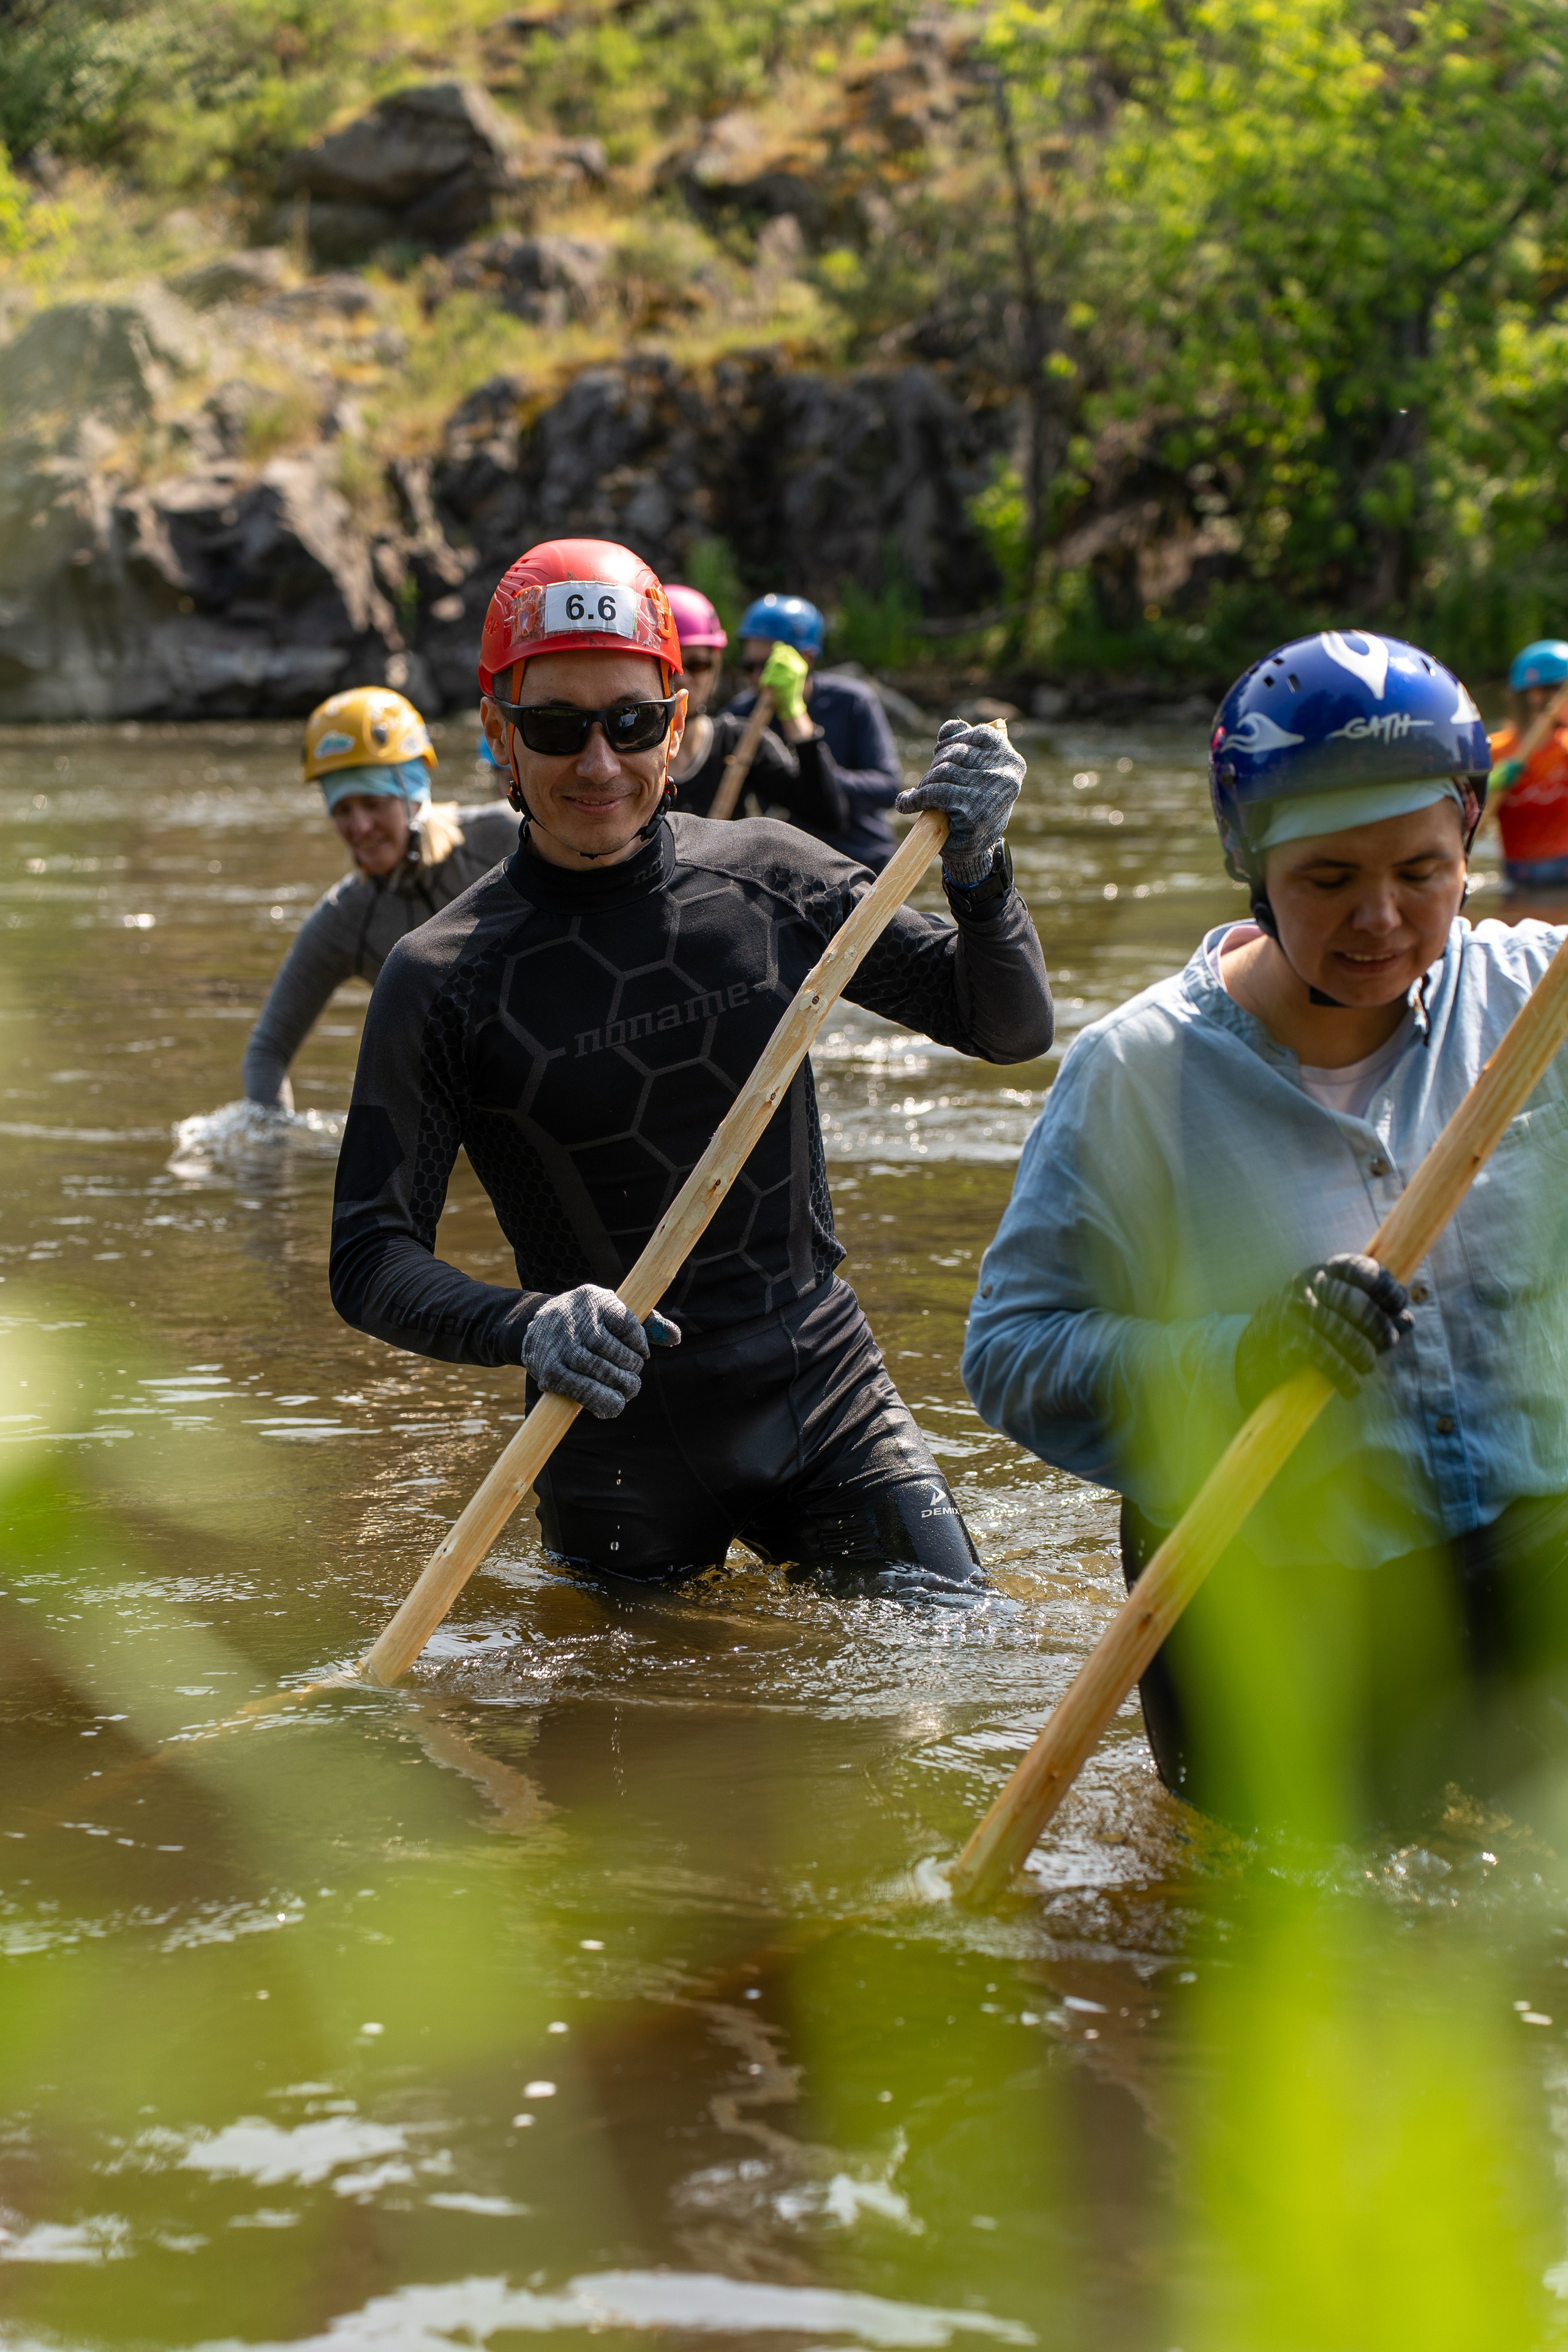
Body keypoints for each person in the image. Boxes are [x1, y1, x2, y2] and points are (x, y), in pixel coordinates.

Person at [330, 537, 1053, 1603]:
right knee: (632, 1752)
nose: (598, 764)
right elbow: (369, 1258)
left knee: (951, 1685)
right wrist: (526, 1323)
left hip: (821, 1392)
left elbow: (1006, 1026)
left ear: (676, 725)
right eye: (556, 728)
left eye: (630, 723)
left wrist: (983, 877)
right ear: (496, 735)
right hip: (609, 1437)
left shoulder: (773, 879)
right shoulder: (438, 976)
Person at [963, 627, 1568, 1826]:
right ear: (1248, 860)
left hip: (1526, 1546)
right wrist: (1241, 1355)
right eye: (1327, 880)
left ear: (1469, 834)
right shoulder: (1137, 1075)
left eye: (1421, 870)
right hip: (1274, 1586)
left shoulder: (1535, 1003)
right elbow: (1011, 1356)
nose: (1382, 919)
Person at [242, 688, 519, 1109]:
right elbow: (267, 1051)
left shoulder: (504, 836)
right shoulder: (345, 918)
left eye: (374, 803)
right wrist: (272, 1154)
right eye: (342, 810)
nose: (360, 826)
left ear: (413, 793)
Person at [729, 592, 903, 870]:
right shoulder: (741, 715)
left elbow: (888, 787)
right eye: (750, 666)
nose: (758, 678)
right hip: (788, 865)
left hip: (859, 856)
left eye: (767, 665)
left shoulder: (853, 702)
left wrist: (817, 782)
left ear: (807, 657)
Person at [662, 584, 845, 838]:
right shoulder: (618, 755)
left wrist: (794, 712)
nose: (682, 679)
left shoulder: (740, 743)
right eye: (669, 667)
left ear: (715, 667)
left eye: (696, 665)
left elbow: (826, 815)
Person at [1485, 638, 1568, 895]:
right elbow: (1464, 814)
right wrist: (1488, 784)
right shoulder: (1495, 750)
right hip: (1520, 877)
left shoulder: (1565, 745)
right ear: (1536, 695)